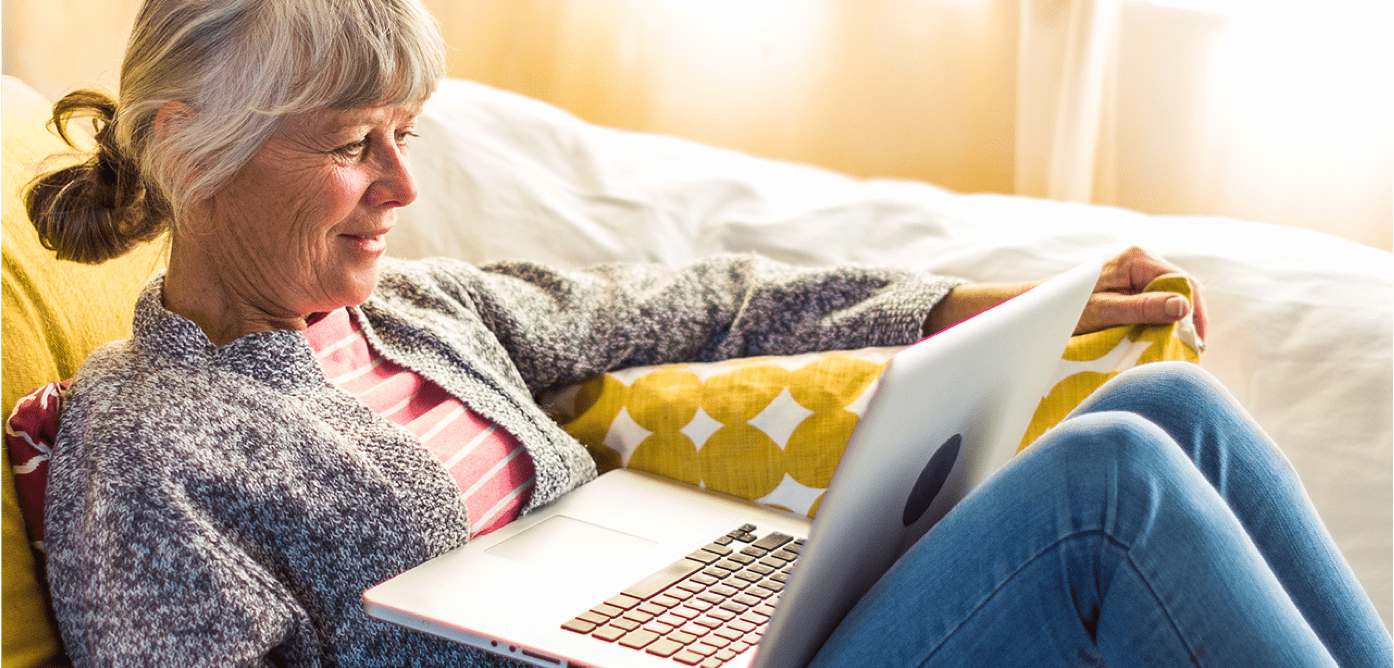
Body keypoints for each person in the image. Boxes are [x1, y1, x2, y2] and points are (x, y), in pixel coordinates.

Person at [21, 0, 1389, 666]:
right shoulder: (147, 442)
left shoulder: (426, 315)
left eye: (405, 138)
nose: (402, 187)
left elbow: (702, 300)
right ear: (194, 148)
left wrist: (980, 305)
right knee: (1110, 488)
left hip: (697, 637)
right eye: (351, 147)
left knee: (1169, 415)